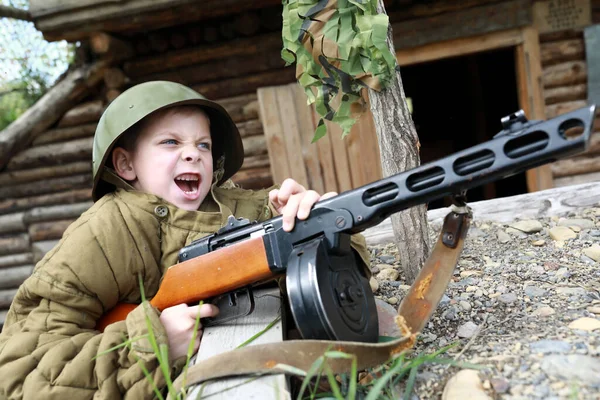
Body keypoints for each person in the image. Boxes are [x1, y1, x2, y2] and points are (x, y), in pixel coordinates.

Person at [0, 81, 370, 399]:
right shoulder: (105, 231)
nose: (192, 153)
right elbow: (19, 374)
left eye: (204, 145)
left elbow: (346, 279)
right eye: (170, 141)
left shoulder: (243, 207)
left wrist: (315, 221)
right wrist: (154, 341)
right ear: (126, 165)